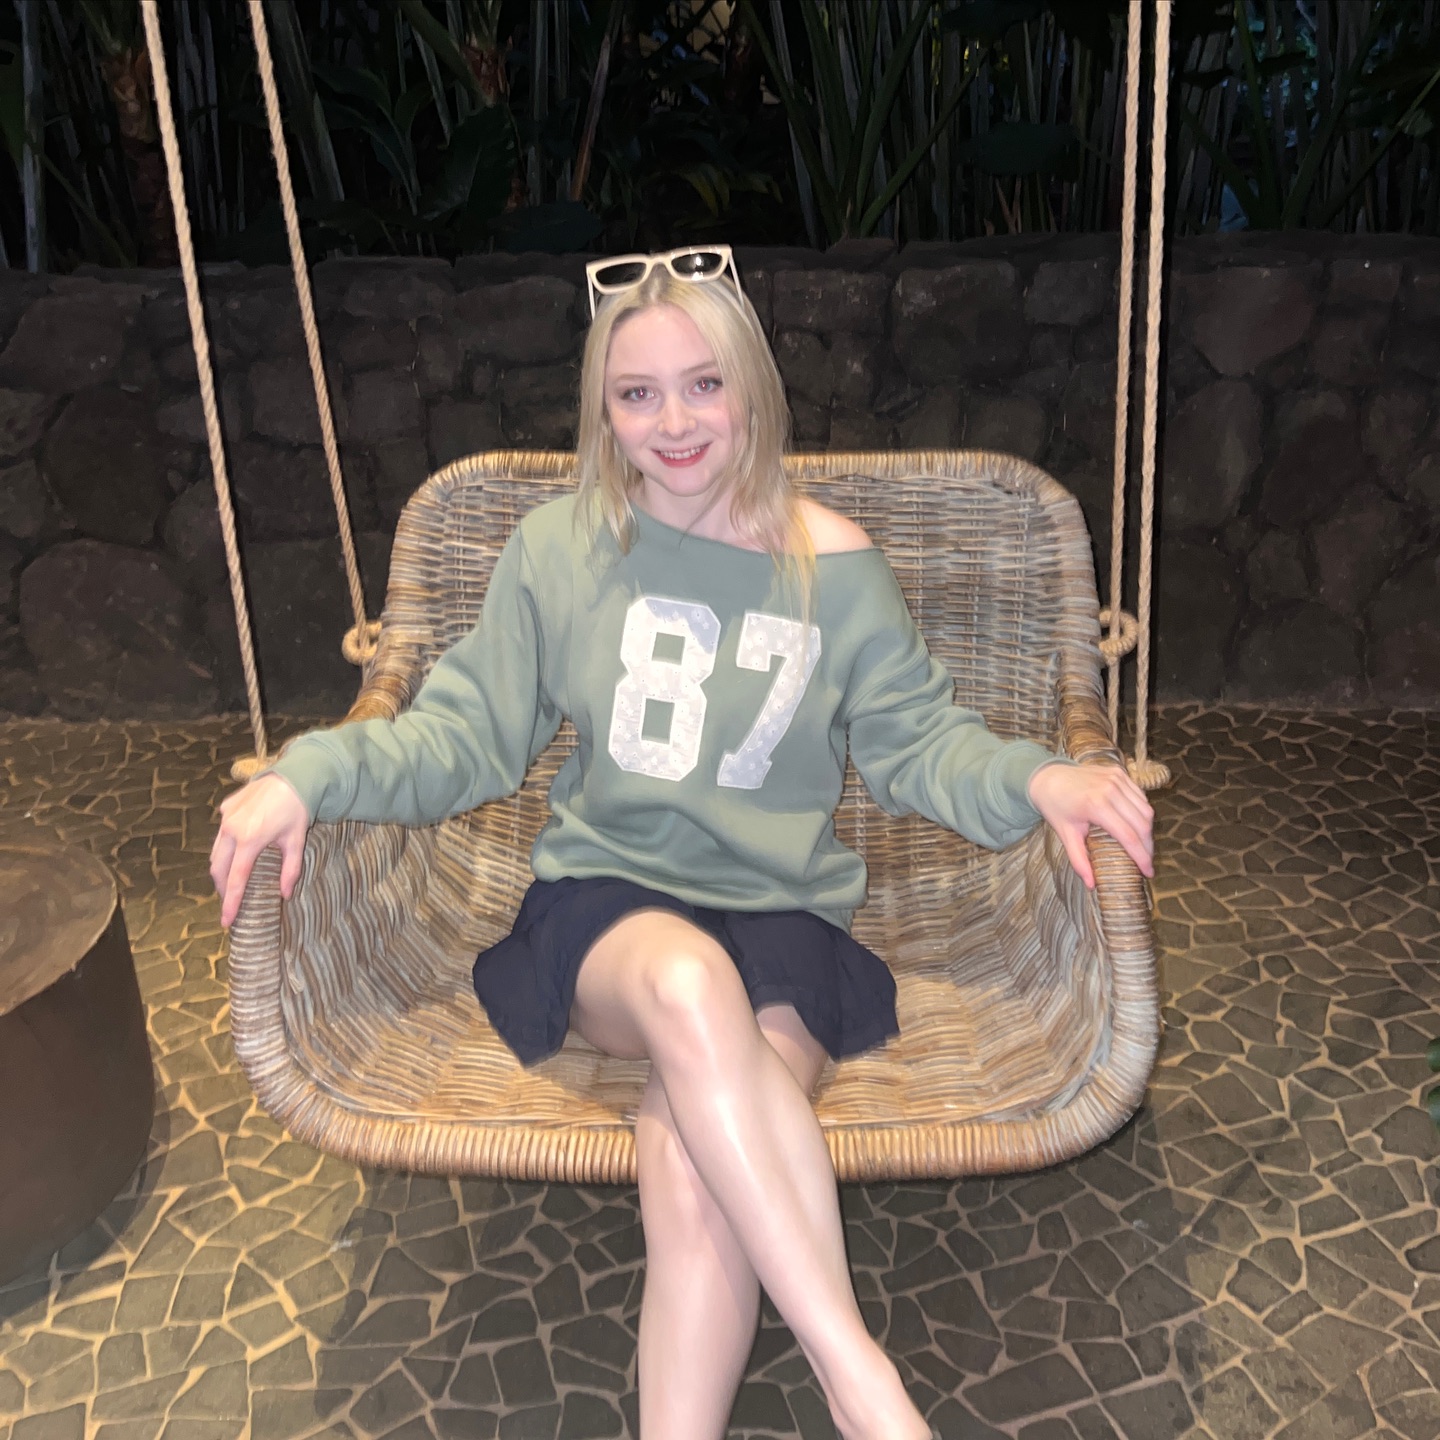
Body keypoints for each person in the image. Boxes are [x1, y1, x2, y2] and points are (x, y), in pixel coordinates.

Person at [211, 245, 1155, 1440]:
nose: (673, 423)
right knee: (688, 983)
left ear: (752, 385)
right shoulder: (561, 550)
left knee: (692, 1169)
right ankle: (862, 1382)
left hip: (786, 917)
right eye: (637, 393)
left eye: (704, 385)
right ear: (602, 411)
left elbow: (921, 745)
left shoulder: (837, 567)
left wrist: (1040, 775)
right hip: (611, 910)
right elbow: (463, 736)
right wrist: (308, 774)